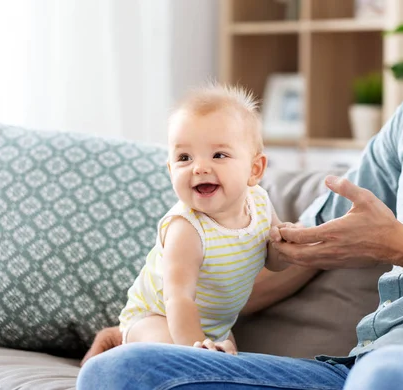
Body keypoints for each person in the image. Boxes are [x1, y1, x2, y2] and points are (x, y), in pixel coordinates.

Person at [77, 0, 403, 388]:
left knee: (388, 380)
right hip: (360, 366)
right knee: (118, 373)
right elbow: (305, 247)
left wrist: (402, 246)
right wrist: (148, 327)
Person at [117, 84, 290, 355]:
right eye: (184, 157)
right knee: (171, 351)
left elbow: (275, 262)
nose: (199, 167)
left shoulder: (260, 203)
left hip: (217, 327)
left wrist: (285, 245)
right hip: (156, 318)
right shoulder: (185, 228)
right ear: (170, 169)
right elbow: (178, 298)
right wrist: (196, 349)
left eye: (218, 155)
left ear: (254, 169)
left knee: (231, 365)